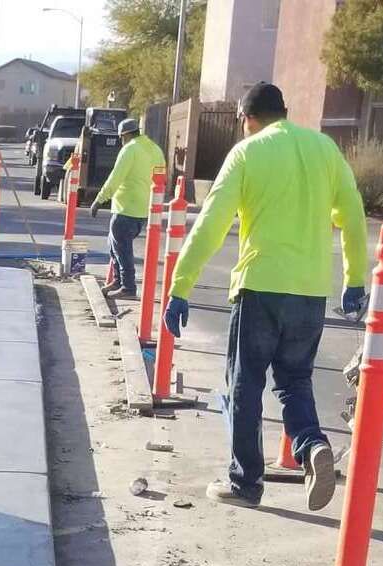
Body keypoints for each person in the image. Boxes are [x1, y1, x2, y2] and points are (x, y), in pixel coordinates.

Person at [162, 81, 367, 512]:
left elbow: (211, 224)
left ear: (247, 119)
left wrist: (181, 286)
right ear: (285, 112)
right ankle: (311, 445)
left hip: (260, 289)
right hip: (311, 292)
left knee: (245, 384)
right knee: (294, 381)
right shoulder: (325, 150)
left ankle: (246, 482)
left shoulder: (247, 153)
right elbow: (352, 214)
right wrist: (354, 280)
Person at [90, 118, 166, 300]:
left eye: (120, 138)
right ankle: (118, 281)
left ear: (124, 135)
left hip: (126, 208)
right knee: (114, 244)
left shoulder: (129, 149)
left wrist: (99, 200)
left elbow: (115, 178)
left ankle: (128, 287)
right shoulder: (155, 149)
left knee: (122, 249)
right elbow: (161, 178)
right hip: (144, 209)